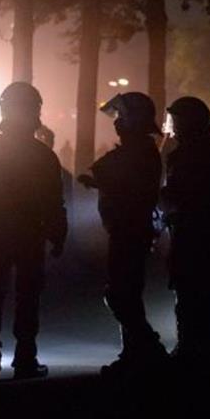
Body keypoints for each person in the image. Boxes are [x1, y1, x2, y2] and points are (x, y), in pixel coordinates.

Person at [0, 82, 67, 380]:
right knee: (28, 296)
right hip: (30, 237)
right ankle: (25, 357)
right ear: (35, 111)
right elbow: (54, 201)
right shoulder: (43, 156)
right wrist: (58, 234)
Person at [79, 92, 168, 375]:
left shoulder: (138, 152)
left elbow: (118, 179)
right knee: (127, 293)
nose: (116, 123)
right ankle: (133, 354)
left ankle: (148, 347)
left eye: (121, 117)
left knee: (120, 295)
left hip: (130, 231)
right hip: (127, 230)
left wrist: (97, 181)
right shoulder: (140, 150)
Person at [160, 96, 210, 370]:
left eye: (178, 121)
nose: (174, 127)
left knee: (191, 293)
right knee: (207, 294)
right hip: (205, 234)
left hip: (194, 233)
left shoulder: (182, 158)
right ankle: (208, 347)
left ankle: (193, 346)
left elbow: (181, 195)